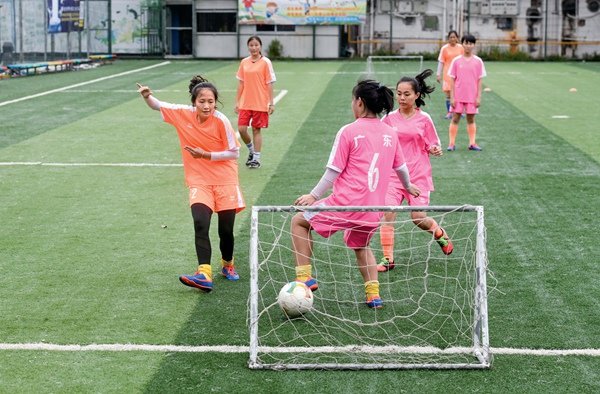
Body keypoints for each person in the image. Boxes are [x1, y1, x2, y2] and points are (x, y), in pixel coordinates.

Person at [291, 80, 421, 309]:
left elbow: (333, 171)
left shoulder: (349, 131)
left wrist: (313, 195)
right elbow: (401, 167)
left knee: (299, 222)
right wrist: (408, 186)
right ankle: (373, 295)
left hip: (344, 206)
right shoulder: (390, 133)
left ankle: (304, 277)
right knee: (362, 247)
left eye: (353, 100)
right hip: (373, 210)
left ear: (359, 103)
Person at [136, 76, 245, 293]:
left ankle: (227, 264)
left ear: (216, 102)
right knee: (200, 222)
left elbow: (234, 152)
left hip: (225, 179)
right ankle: (203, 273)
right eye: (202, 101)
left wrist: (204, 155)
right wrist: (147, 96)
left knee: (226, 230)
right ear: (194, 102)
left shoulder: (221, 120)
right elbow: (157, 105)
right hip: (199, 180)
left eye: (211, 101)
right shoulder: (182, 113)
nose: (207, 105)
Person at [376, 69, 454, 273]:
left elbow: (433, 143)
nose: (401, 98)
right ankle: (387, 259)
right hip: (393, 177)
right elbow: (379, 141)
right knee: (387, 214)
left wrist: (434, 149)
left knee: (418, 218)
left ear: (417, 95)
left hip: (417, 175)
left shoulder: (424, 119)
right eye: (399, 93)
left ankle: (439, 233)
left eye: (406, 94)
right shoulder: (389, 119)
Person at [235, 35, 276, 169]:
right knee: (241, 129)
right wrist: (237, 102)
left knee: (256, 129)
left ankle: (256, 159)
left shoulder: (266, 62)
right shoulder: (244, 62)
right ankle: (251, 150)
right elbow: (241, 83)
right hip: (245, 102)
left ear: (260, 46)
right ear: (248, 47)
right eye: (251, 45)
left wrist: (271, 103)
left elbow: (269, 83)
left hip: (260, 102)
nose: (254, 48)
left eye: (256, 45)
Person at [447, 34, 487, 152]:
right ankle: (451, 143)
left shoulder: (478, 61)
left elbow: (480, 81)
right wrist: (452, 97)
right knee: (455, 118)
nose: (468, 46)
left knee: (471, 119)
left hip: (472, 97)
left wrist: (478, 97)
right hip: (458, 96)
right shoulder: (456, 61)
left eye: (471, 43)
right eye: (466, 43)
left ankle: (472, 143)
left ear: (474, 45)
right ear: (462, 44)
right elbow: (452, 80)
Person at [436, 30, 464, 119]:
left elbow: (465, 60)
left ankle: (459, 112)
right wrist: (438, 74)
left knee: (459, 94)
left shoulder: (461, 48)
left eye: (454, 37)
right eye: (451, 37)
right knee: (448, 94)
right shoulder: (444, 48)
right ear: (448, 38)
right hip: (448, 74)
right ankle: (449, 112)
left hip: (459, 74)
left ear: (457, 38)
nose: (452, 39)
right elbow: (441, 61)